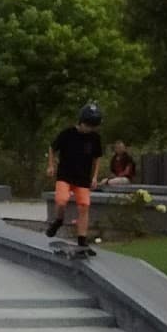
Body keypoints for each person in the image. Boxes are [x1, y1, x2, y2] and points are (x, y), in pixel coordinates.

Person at [46, 103, 103, 247]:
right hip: (65, 175)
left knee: (84, 206)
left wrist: (95, 176)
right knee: (61, 200)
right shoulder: (67, 134)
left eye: (93, 126)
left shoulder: (95, 138)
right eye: (87, 125)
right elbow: (52, 148)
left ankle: (82, 241)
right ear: (81, 122)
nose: (89, 129)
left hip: (83, 178)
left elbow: (97, 158)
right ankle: (59, 220)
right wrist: (51, 165)